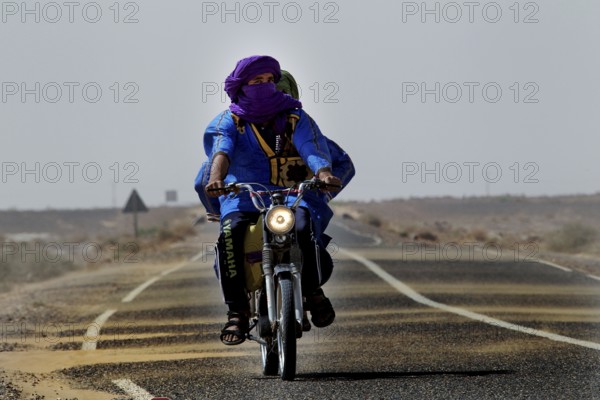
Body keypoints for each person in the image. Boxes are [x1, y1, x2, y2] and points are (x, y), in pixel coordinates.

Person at [196, 55, 352, 345]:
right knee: (229, 237)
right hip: (243, 198)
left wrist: (323, 174)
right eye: (258, 82)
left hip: (293, 197)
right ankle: (237, 313)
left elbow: (311, 146)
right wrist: (217, 181)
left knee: (304, 229)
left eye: (270, 81)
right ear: (242, 86)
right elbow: (221, 149)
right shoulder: (230, 121)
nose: (266, 87)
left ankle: (312, 291)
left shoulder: (296, 117)